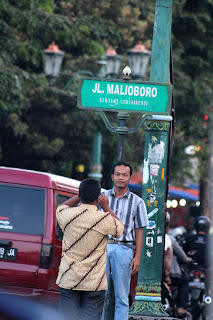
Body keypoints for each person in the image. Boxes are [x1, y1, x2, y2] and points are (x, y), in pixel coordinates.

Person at [56, 178, 125, 320]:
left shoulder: (67, 215)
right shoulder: (104, 219)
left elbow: (61, 207)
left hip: (69, 279)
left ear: (80, 195)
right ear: (98, 197)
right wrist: (106, 207)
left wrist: (80, 195)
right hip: (94, 283)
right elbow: (120, 229)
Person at [101, 161, 148, 320]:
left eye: (124, 175)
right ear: (112, 176)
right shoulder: (103, 197)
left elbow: (139, 230)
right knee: (100, 293)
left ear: (130, 178)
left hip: (125, 249)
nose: (121, 178)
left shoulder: (137, 202)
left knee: (121, 296)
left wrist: (137, 256)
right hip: (103, 247)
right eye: (118, 174)